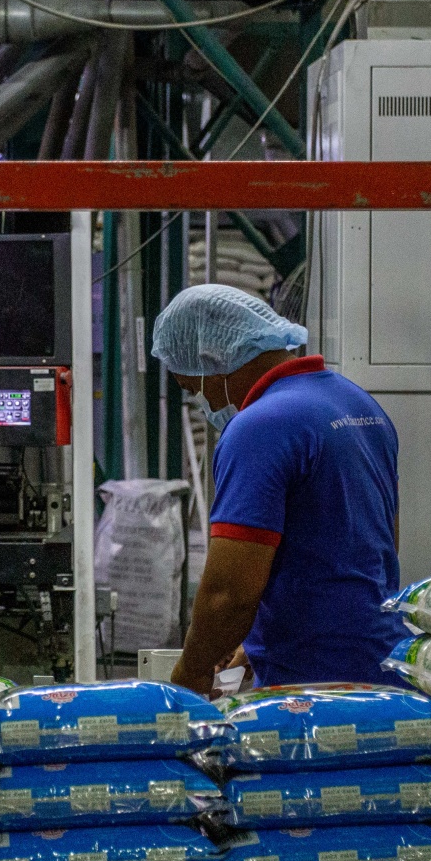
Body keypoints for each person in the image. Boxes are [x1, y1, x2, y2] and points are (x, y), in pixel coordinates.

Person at [152, 283, 402, 693]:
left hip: (314, 680)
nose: (203, 404)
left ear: (212, 360)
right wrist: (253, 643)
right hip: (382, 659)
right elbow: (376, 544)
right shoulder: (358, 403)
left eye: (193, 389)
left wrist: (192, 672)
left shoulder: (259, 427)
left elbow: (229, 593)